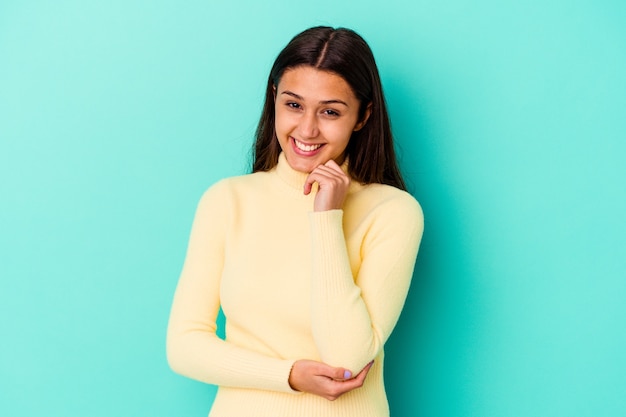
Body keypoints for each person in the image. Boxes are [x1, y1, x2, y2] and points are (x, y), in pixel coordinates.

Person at [166, 26, 424, 417]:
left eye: (330, 112)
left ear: (362, 116)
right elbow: (184, 346)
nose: (306, 130)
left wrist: (326, 219)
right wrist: (288, 375)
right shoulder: (228, 200)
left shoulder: (393, 212)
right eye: (293, 105)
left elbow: (347, 356)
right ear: (274, 100)